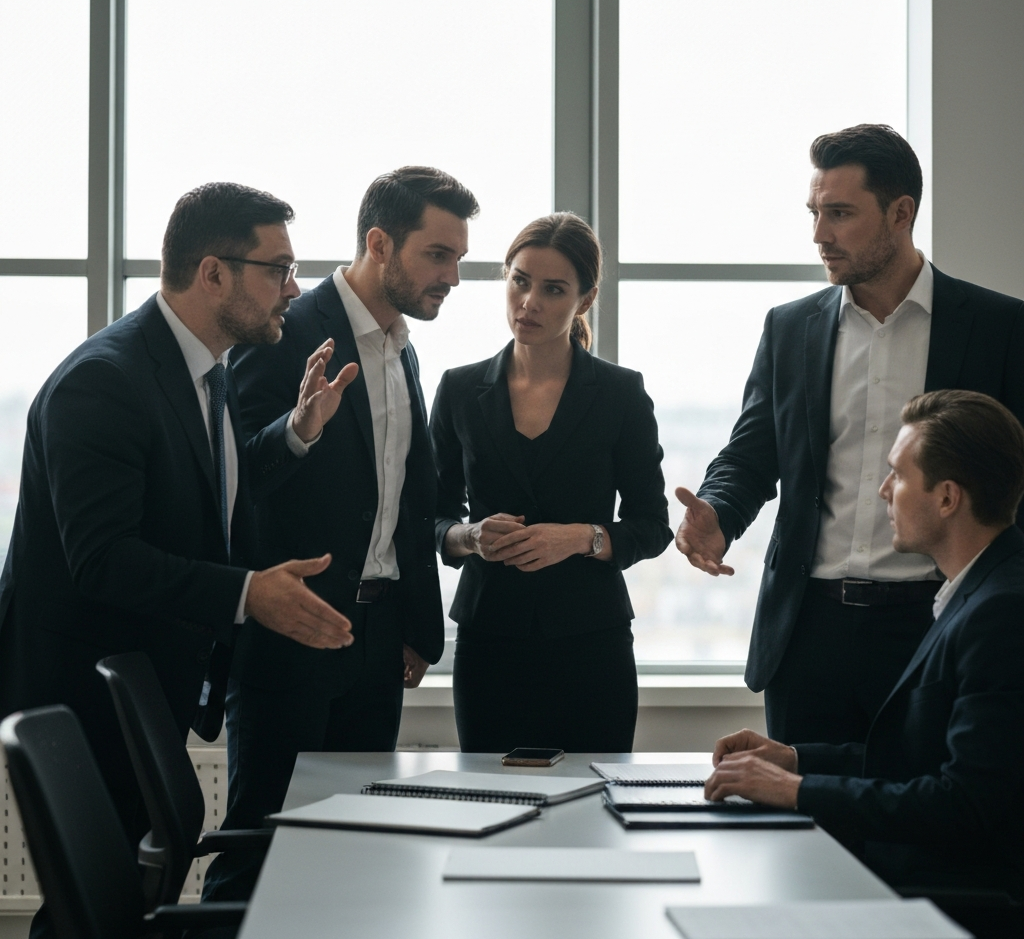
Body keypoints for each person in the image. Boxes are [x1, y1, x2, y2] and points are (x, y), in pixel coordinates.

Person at [0, 182, 357, 938]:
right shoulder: (104, 381)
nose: (295, 290)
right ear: (213, 273)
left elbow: (206, 487)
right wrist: (247, 593)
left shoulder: (204, 366)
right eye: (279, 269)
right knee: (86, 912)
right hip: (80, 696)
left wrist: (294, 431)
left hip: (141, 682)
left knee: (116, 909)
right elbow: (101, 560)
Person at [674, 124, 1024, 745]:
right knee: (798, 820)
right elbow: (753, 453)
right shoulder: (790, 328)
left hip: (937, 619)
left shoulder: (999, 328)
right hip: (808, 629)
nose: (819, 236)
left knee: (924, 819)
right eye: (814, 212)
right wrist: (719, 515)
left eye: (839, 214)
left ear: (901, 213)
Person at [201, 166, 478, 904]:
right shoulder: (286, 328)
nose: (453, 276)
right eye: (438, 255)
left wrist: (414, 623)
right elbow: (241, 480)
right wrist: (295, 430)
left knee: (353, 848)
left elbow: (403, 503)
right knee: (261, 851)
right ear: (380, 243)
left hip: (378, 636)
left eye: (458, 258)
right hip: (292, 631)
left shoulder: (401, 345)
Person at [703, 389, 1024, 918]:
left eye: (898, 475)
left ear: (947, 498)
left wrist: (797, 790)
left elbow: (963, 806)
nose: (882, 490)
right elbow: (917, 761)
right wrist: (795, 759)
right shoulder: (978, 589)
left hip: (955, 901)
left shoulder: (1002, 612)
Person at [430, 212, 673, 754]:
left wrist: (581, 537)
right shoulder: (459, 389)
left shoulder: (620, 394)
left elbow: (652, 527)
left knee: (593, 815)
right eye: (519, 280)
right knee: (491, 803)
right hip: (488, 638)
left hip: (593, 642)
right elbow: (430, 516)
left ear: (583, 300)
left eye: (553, 289)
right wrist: (470, 537)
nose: (529, 302)